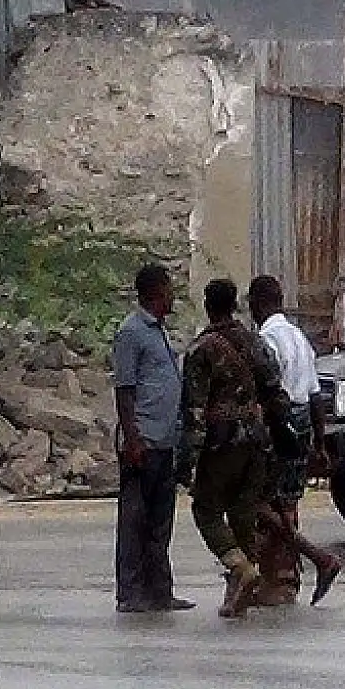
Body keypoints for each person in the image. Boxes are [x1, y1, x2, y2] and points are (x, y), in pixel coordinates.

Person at [179, 279, 287, 619]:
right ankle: (240, 590)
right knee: (243, 513)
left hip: (221, 442)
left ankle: (240, 568)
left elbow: (194, 411)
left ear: (208, 306)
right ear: (236, 305)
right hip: (257, 439)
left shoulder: (201, 350)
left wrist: (187, 459)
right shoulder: (256, 342)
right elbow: (275, 392)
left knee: (206, 510)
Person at [246, 276, 343, 607]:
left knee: (260, 502)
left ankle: (305, 562)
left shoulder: (267, 340)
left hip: (280, 423)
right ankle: (287, 577)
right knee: (288, 502)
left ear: (257, 304)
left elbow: (269, 392)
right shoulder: (298, 337)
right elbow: (315, 394)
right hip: (302, 422)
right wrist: (319, 441)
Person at [110, 264, 195, 614]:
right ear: (155, 292)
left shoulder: (159, 332)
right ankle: (130, 592)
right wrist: (133, 439)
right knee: (135, 520)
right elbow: (125, 389)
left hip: (165, 439)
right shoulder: (132, 332)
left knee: (161, 521)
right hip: (143, 440)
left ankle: (160, 591)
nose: (172, 295)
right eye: (169, 289)